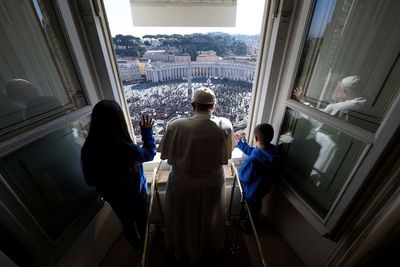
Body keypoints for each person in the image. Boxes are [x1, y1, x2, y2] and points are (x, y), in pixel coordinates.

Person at [157, 87, 234, 263]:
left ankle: (183, 248)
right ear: (215, 105)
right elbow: (228, 154)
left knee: (183, 218)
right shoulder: (226, 124)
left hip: (182, 182)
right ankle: (210, 246)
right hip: (212, 182)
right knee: (210, 217)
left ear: (193, 105)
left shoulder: (176, 125)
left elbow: (166, 155)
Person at [81, 100, 156, 254]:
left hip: (115, 199)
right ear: (120, 122)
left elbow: (89, 180)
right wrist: (147, 132)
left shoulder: (88, 150)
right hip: (137, 195)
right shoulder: (127, 149)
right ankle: (145, 242)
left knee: (126, 224)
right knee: (142, 221)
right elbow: (149, 154)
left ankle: (136, 247)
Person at [235, 123, 281, 224]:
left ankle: (247, 226)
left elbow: (243, 176)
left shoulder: (254, 159)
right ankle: (250, 221)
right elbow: (254, 151)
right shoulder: (273, 150)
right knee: (256, 206)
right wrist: (241, 143)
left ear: (255, 138)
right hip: (264, 187)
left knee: (250, 209)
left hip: (252, 190)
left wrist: (239, 170)